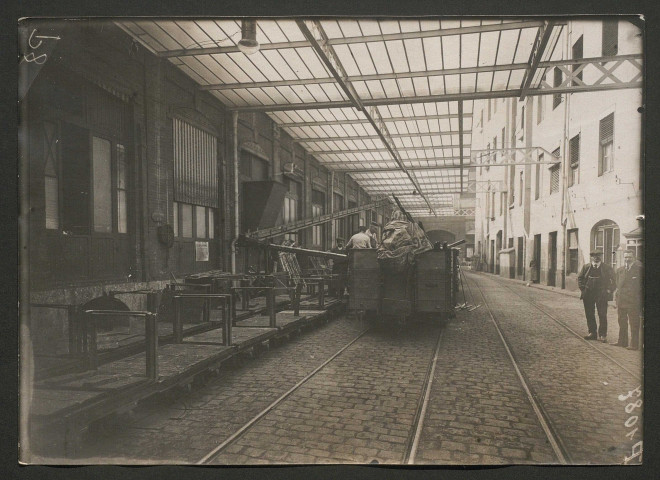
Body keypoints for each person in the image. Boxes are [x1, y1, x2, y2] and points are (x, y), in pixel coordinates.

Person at [577, 249, 616, 342]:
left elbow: (614, 280)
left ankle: (602, 335)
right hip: (588, 294)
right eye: (594, 255)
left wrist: (609, 290)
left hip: (601, 294)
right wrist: (583, 288)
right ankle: (592, 333)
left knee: (602, 314)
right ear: (591, 257)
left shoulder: (606, 268)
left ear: (601, 256)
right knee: (589, 314)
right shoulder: (586, 267)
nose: (596, 257)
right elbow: (580, 278)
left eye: (598, 255)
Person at [611, 250, 643, 350]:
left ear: (634, 257)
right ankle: (622, 341)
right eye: (625, 257)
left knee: (634, 323)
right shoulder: (620, 270)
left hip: (633, 301)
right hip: (621, 301)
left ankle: (634, 344)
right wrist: (616, 300)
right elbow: (618, 286)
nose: (627, 259)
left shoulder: (639, 270)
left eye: (629, 257)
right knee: (622, 322)